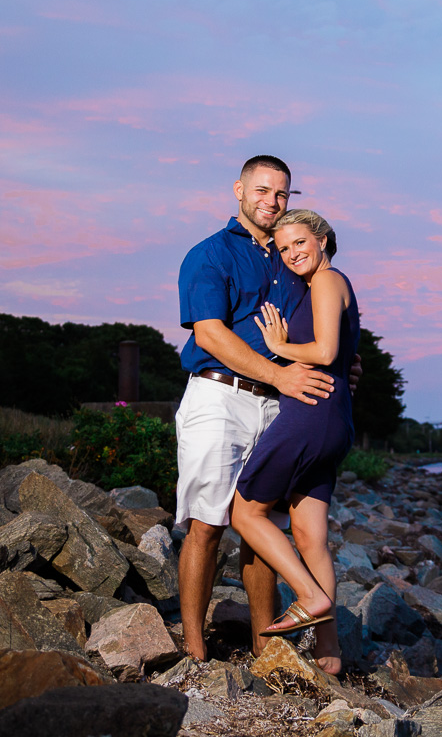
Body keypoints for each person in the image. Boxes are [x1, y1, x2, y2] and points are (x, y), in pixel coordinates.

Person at [174, 155, 338, 664]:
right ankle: (196, 652)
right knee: (208, 522)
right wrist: (278, 373)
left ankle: (265, 647)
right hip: (219, 396)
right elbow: (210, 333)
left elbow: (325, 319)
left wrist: (345, 366)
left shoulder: (292, 256)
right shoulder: (209, 255)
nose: (272, 201)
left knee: (258, 520)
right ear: (239, 191)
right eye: (262, 190)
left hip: (280, 404)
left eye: (282, 194)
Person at [231, 208, 359, 676]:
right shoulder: (325, 287)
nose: (291, 253)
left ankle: (308, 596)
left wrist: (279, 348)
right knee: (309, 536)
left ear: (322, 239)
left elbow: (324, 352)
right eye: (283, 248)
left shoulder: (327, 280)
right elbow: (343, 354)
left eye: (300, 242)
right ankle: (329, 653)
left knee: (244, 511)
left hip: (309, 414)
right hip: (335, 419)